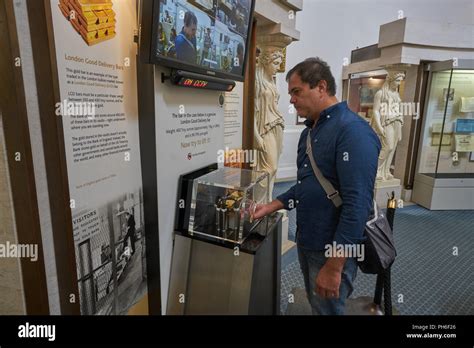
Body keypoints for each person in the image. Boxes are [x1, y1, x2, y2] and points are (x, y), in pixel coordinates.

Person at [253, 57, 381, 315]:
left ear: (321, 87)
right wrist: (271, 206)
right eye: (290, 93)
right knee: (317, 306)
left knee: (328, 310)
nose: (291, 100)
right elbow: (306, 186)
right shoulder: (309, 133)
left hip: (332, 250)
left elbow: (357, 206)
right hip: (308, 240)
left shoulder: (352, 131)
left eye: (296, 92)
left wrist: (334, 266)